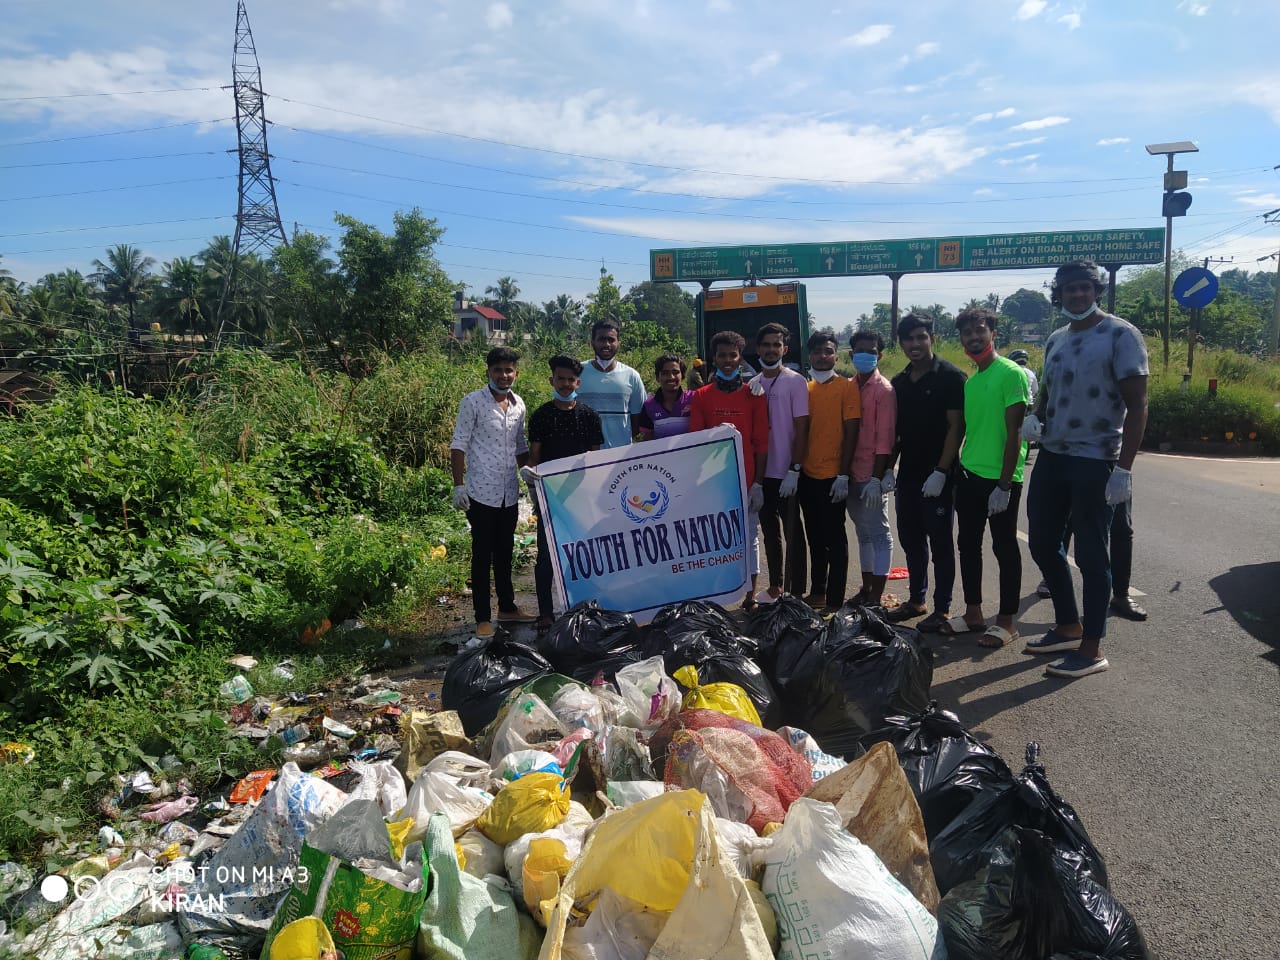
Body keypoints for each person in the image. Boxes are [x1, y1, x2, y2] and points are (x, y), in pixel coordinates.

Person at [1024, 260, 1149, 677]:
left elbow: (1137, 406)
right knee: (1042, 542)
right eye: (1068, 289)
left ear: (1096, 290)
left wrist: (1124, 469)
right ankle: (1068, 624)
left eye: (1083, 288)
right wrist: (1035, 416)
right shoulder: (1057, 338)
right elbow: (1047, 391)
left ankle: (1092, 648)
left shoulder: (1121, 334)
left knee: (1093, 555)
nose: (1076, 295)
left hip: (1097, 459)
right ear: (1057, 294)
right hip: (1054, 456)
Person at [953, 306, 1029, 647]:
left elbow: (1014, 434)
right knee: (968, 545)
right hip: (969, 475)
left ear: (992, 333)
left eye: (980, 330)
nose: (974, 337)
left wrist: (1004, 484)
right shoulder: (973, 381)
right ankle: (973, 613)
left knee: (1004, 547)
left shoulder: (1011, 373)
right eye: (967, 333)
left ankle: (1007, 622)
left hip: (1001, 480)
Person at [886, 313, 967, 631]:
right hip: (907, 474)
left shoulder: (950, 376)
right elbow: (897, 433)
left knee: (941, 542)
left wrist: (941, 470)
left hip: (939, 476)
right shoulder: (901, 381)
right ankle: (916, 599)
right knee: (911, 538)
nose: (915, 344)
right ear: (902, 344)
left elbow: (955, 426)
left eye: (921, 337)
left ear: (933, 339)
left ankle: (942, 608)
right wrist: (887, 469)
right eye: (909, 339)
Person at [450, 346, 533, 637]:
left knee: (505, 552)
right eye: (498, 370)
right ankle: (482, 617)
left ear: (516, 373)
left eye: (509, 370)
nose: (503, 375)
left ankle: (508, 608)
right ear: (488, 372)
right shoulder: (473, 402)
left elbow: (521, 447)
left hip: (509, 492)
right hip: (481, 493)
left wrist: (529, 473)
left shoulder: (519, 404)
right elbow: (458, 444)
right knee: (482, 554)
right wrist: (459, 484)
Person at [523, 355, 604, 631]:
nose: (566, 384)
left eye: (571, 379)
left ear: (578, 382)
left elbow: (595, 460)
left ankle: (585, 607)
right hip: (551, 498)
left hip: (581, 498)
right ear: (552, 380)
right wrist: (530, 474)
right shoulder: (541, 416)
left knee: (584, 555)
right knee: (546, 556)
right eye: (561, 378)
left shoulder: (590, 417)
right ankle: (546, 612)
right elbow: (535, 457)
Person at [689, 330, 769, 609]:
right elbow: (696, 441)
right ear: (714, 358)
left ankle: (750, 595)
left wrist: (758, 483)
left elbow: (761, 444)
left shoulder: (754, 396)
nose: (727, 360)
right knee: (716, 539)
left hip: (745, 479)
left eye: (732, 355)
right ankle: (718, 597)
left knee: (749, 537)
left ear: (740, 358)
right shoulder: (701, 396)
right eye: (722, 355)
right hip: (713, 481)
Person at [797, 330, 860, 611]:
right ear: (809, 355)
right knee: (814, 537)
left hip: (833, 476)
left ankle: (835, 600)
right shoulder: (804, 389)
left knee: (836, 540)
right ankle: (818, 591)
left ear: (836, 355)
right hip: (807, 475)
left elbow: (851, 433)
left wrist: (844, 474)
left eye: (828, 351)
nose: (823, 357)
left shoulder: (847, 388)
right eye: (817, 352)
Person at [748, 323, 810, 603]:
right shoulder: (752, 384)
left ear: (785, 349)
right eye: (766, 345)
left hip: (787, 473)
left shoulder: (795, 381)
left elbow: (802, 427)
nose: (771, 350)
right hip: (763, 474)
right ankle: (776, 587)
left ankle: (797, 591)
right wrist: (756, 480)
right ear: (758, 348)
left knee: (793, 533)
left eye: (777, 345)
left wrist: (794, 469)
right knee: (770, 534)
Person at [846, 330, 896, 607]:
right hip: (851, 473)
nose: (866, 355)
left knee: (879, 534)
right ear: (851, 354)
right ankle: (866, 588)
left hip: (870, 475)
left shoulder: (883, 390)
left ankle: (877, 595)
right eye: (861, 350)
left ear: (880, 355)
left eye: (872, 351)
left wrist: (879, 477)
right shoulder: (849, 386)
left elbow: (885, 439)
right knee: (862, 533)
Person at [577, 320, 646, 449]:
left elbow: (637, 421)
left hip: (620, 456)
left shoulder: (632, 376)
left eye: (611, 340)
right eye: (601, 339)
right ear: (592, 342)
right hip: (583, 455)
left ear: (619, 343)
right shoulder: (577, 372)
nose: (607, 344)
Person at [636, 354, 695, 439]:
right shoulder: (649, 406)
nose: (671, 377)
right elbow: (648, 439)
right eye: (665, 373)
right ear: (657, 377)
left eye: (675, 372)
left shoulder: (694, 399)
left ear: (683, 376)